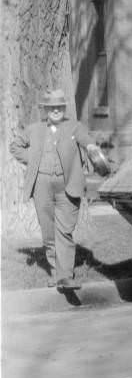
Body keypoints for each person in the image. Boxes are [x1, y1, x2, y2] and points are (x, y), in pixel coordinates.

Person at [10, 89, 101, 290]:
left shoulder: (74, 127)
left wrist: (92, 148)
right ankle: (55, 273)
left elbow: (86, 140)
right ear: (46, 110)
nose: (56, 110)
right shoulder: (34, 129)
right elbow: (15, 146)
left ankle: (66, 276)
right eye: (52, 107)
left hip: (68, 185)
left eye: (59, 107)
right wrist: (33, 159)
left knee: (65, 231)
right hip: (41, 186)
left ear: (63, 108)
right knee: (49, 232)